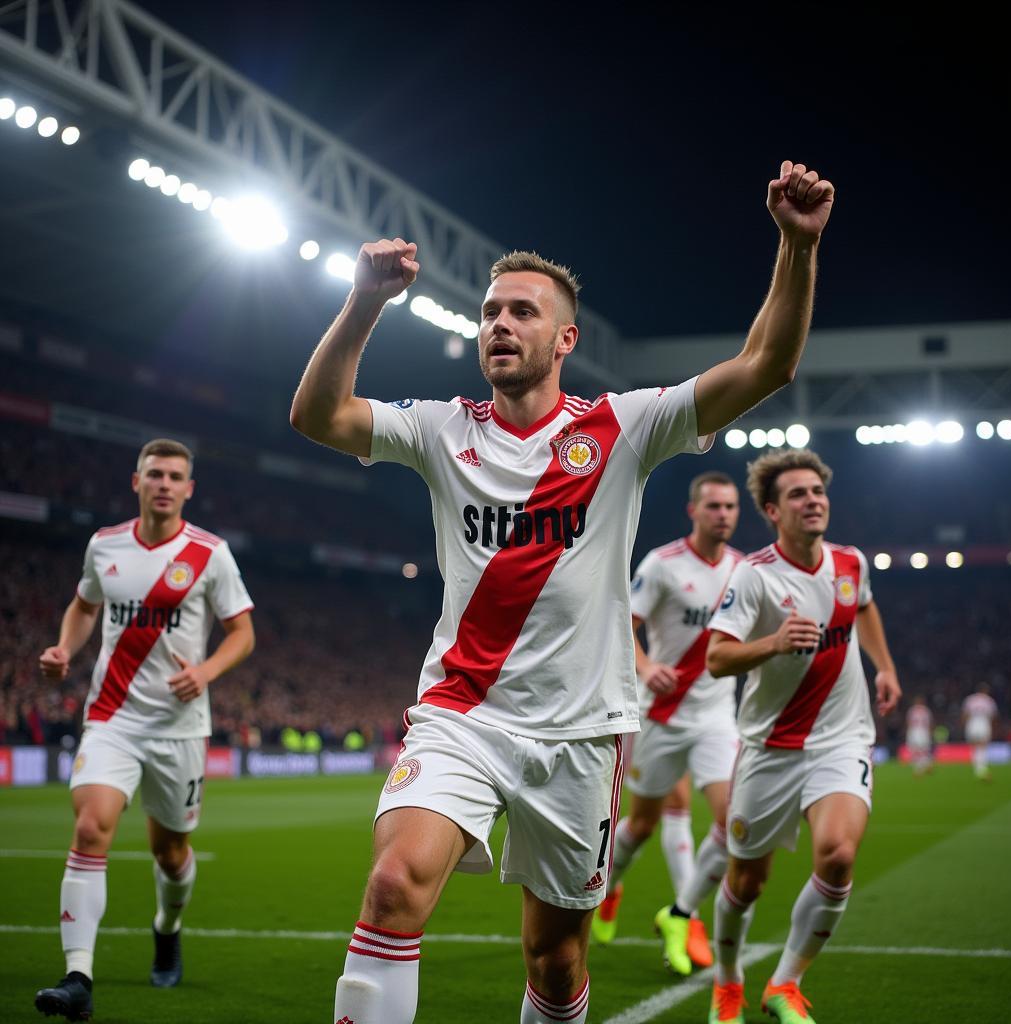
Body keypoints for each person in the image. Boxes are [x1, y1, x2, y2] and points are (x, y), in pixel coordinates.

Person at [290, 159, 835, 1024]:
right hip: (463, 712)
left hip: (582, 732)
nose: (499, 325)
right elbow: (317, 417)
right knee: (393, 885)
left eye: (521, 312)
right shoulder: (440, 429)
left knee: (554, 958)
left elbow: (766, 364)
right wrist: (364, 302)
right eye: (489, 313)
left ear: (564, 340)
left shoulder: (622, 428)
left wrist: (796, 248)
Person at [34, 439, 255, 1022]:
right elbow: (84, 606)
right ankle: (78, 974)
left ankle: (167, 926)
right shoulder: (104, 545)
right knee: (90, 827)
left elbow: (242, 633)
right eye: (153, 473)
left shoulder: (210, 554)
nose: (163, 483)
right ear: (136, 482)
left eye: (174, 475)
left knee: (171, 850)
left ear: (189, 489)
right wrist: (64, 646)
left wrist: (206, 671)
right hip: (112, 716)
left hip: (180, 728)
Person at [703, 449, 901, 1024]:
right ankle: (727, 981)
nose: (812, 500)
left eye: (818, 491)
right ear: (772, 510)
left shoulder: (850, 562)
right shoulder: (756, 575)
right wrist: (772, 642)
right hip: (769, 750)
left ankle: (784, 983)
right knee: (747, 880)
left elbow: (864, 609)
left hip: (841, 741)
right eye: (797, 494)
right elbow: (717, 658)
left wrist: (883, 666)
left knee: (839, 855)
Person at [591, 471, 743, 978]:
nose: (723, 514)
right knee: (644, 821)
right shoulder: (663, 565)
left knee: (732, 822)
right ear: (693, 511)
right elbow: (624, 625)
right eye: (714, 506)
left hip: (718, 718)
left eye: (730, 506)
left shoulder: (745, 571)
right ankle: (609, 886)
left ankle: (682, 914)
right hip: (661, 715)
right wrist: (646, 666)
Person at [962, 684, 998, 780]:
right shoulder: (989, 700)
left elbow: (965, 714)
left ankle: (977, 768)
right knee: (982, 746)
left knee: (974, 747)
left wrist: (965, 726)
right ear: (985, 691)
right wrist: (993, 727)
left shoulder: (970, 699)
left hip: (972, 723)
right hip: (983, 723)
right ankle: (981, 768)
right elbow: (993, 716)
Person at [905, 694, 933, 776]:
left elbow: (909, 722)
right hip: (923, 731)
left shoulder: (912, 710)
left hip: (915, 731)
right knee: (923, 750)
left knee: (916, 750)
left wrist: (908, 732)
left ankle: (919, 769)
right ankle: (927, 764)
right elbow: (930, 723)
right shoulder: (926, 710)